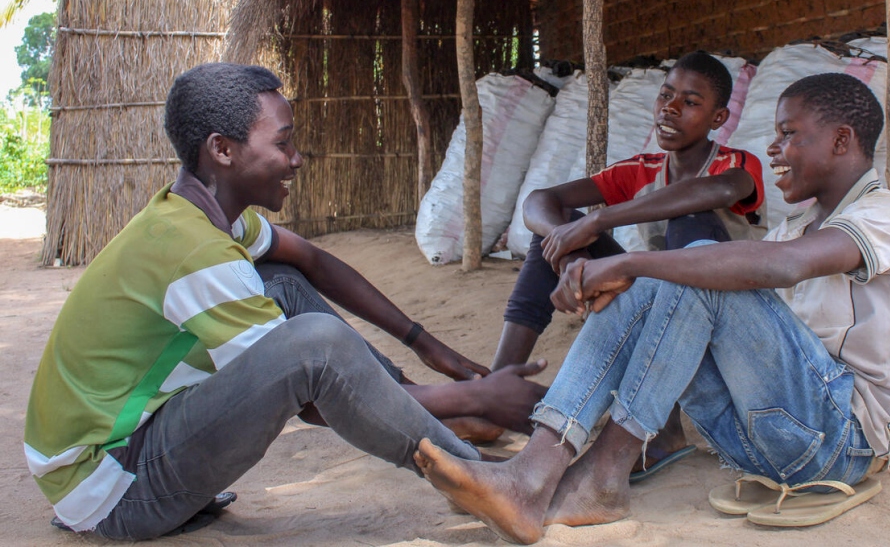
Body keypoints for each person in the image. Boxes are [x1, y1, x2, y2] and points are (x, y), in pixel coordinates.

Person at [23, 63, 547, 540]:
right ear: (223, 150)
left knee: (279, 277)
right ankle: (476, 475)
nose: (297, 159)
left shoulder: (202, 216)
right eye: (283, 143)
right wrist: (474, 396)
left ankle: (438, 426)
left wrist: (430, 349)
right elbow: (317, 395)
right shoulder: (196, 253)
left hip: (127, 446)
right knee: (314, 347)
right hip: (115, 486)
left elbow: (312, 261)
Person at [415, 72, 890, 544]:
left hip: (841, 444)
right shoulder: (794, 226)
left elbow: (784, 267)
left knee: (694, 263)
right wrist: (631, 274)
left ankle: (601, 472)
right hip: (757, 439)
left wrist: (632, 262)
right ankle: (535, 471)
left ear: (842, 140)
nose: (773, 148)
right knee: (670, 280)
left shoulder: (883, 215)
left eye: (789, 134)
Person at [492, 51, 766, 478]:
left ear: (718, 119)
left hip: (721, 317)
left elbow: (714, 192)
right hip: (660, 302)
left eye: (690, 102)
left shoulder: (736, 164)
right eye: (665, 95)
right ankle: (496, 388)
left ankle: (667, 429)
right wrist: (573, 256)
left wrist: (600, 219)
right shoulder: (643, 169)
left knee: (686, 227)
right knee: (556, 228)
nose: (670, 109)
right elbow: (539, 201)